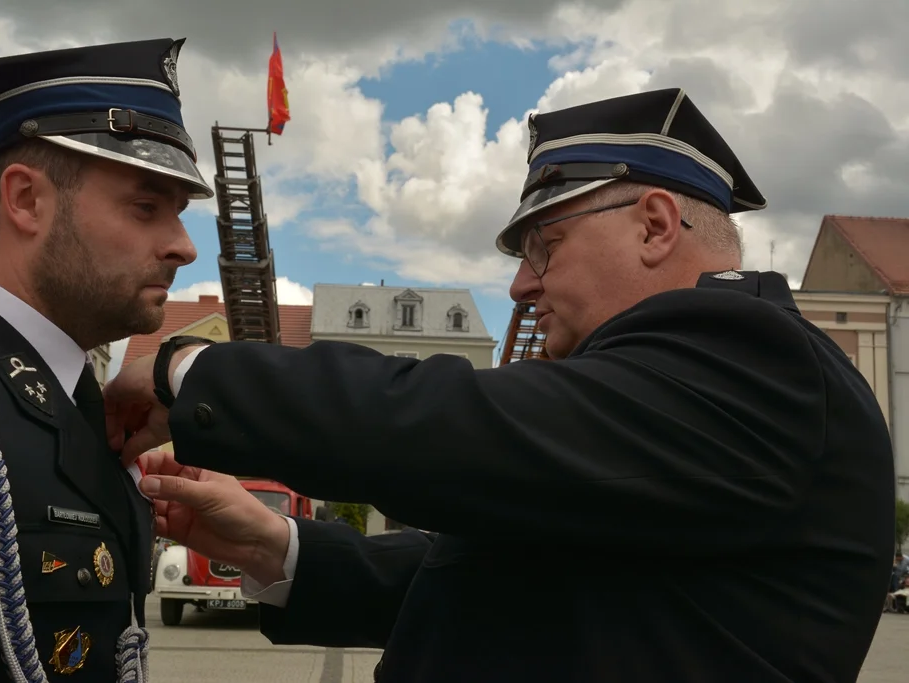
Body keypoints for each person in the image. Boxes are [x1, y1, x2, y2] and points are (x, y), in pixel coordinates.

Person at [104, 88, 895, 682]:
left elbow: (451, 426)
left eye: (544, 246)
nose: (520, 285)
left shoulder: (748, 357)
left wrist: (187, 368)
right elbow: (516, 581)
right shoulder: (668, 400)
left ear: (655, 225)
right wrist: (275, 544)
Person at [0, 38, 212, 683]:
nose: (183, 247)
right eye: (146, 207)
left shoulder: (86, 411)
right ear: (26, 200)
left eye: (176, 214)